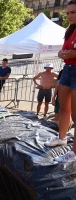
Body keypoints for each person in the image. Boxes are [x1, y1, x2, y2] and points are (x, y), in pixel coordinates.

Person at [45, 1, 76, 162]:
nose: (70, 16)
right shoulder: (69, 31)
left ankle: (74, 153)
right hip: (67, 70)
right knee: (64, 109)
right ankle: (61, 137)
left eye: (73, 12)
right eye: (68, 13)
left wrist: (70, 53)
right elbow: (65, 52)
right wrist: (63, 53)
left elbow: (71, 52)